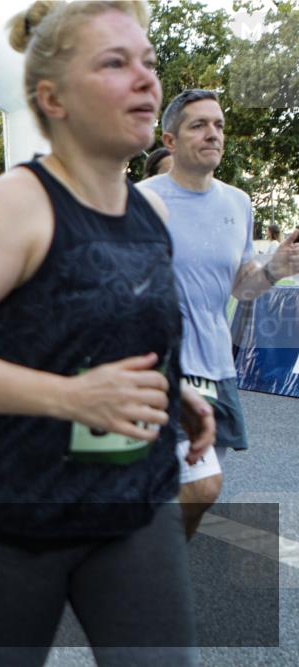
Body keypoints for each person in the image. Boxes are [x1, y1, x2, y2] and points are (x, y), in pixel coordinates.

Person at [0, 2, 217, 663]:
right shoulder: (18, 204)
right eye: (114, 63)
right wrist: (71, 397)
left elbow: (110, 328)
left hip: (130, 503)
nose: (145, 79)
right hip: (11, 516)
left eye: (148, 63)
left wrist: (170, 387)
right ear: (54, 98)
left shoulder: (148, 212)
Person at [140, 88, 299, 539]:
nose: (213, 134)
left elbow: (241, 286)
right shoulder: (141, 200)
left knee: (198, 489)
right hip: (161, 364)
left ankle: (155, 561)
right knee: (201, 483)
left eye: (219, 125)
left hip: (216, 367)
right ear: (170, 141)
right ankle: (150, 562)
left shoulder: (238, 202)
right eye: (199, 125)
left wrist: (274, 270)